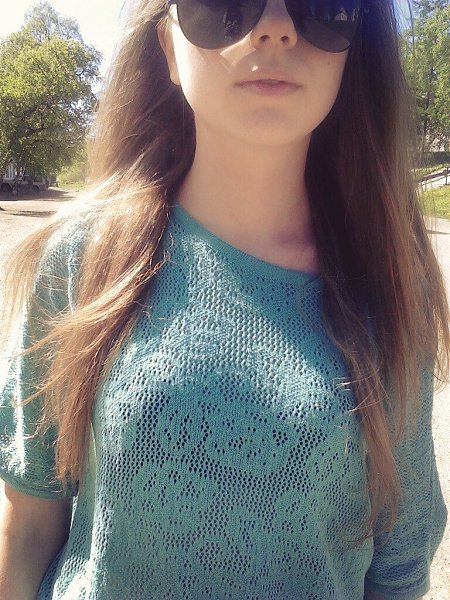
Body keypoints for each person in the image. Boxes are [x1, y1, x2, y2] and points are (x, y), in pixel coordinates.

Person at [0, 0, 448, 598]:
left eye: (319, 3)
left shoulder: (388, 284)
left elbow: (398, 564)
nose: (276, 27)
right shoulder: (81, 255)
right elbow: (28, 523)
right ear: (168, 49)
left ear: (354, 50)